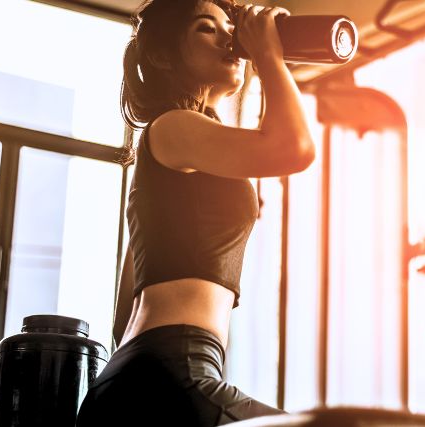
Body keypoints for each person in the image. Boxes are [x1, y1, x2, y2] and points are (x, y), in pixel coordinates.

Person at [75, 0, 315, 425]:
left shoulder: (177, 153)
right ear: (164, 55)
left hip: (138, 379)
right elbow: (295, 148)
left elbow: (123, 314)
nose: (229, 39)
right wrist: (268, 54)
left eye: (231, 28)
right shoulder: (172, 126)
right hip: (169, 372)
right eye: (208, 29)